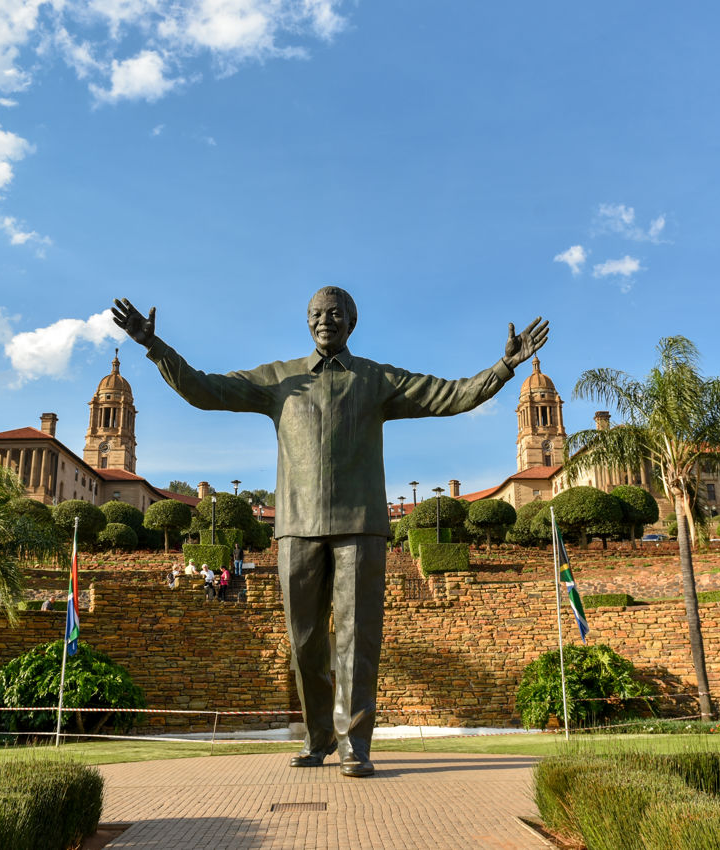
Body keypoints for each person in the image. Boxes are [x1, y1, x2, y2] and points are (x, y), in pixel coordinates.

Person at [112, 287, 547, 778]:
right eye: (317, 314)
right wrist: (154, 346)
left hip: (360, 526)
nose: (326, 321)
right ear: (307, 322)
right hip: (296, 526)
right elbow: (203, 388)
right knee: (305, 642)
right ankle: (318, 737)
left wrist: (504, 367)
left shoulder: (377, 378)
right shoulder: (280, 379)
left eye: (335, 314)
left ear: (352, 322)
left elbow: (450, 395)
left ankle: (354, 744)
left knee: (358, 640)